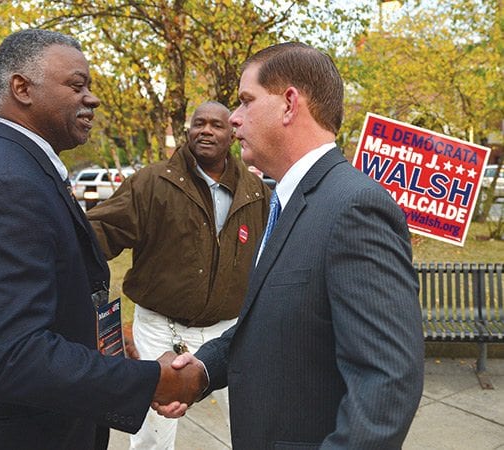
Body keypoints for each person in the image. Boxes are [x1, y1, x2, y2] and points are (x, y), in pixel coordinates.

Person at [0, 29, 204, 450]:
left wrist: (96, 338)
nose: (93, 99)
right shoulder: (6, 183)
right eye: (76, 85)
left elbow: (34, 297)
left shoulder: (22, 167)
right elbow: (12, 357)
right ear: (22, 88)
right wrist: (152, 380)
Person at [156, 42, 425, 449]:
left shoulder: (355, 207)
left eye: (246, 101)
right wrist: (203, 372)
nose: (234, 118)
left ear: (288, 104)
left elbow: (387, 382)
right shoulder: (284, 200)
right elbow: (275, 325)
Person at [87, 101, 270, 449]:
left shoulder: (255, 191)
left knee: (252, 426)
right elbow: (99, 234)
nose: (206, 130)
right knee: (152, 436)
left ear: (232, 132)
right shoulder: (151, 183)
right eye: (198, 123)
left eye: (216, 125)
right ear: (188, 131)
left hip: (228, 333)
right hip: (159, 328)